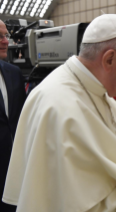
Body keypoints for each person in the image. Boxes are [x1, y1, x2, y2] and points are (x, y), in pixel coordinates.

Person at [2, 14, 116, 212]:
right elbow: (96, 207)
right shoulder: (62, 108)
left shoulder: (92, 86)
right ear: (109, 59)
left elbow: (98, 151)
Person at [0, 20, 26, 212]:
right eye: (0, 37)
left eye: (6, 36)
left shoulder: (14, 73)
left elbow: (21, 120)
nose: (5, 41)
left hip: (14, 167)